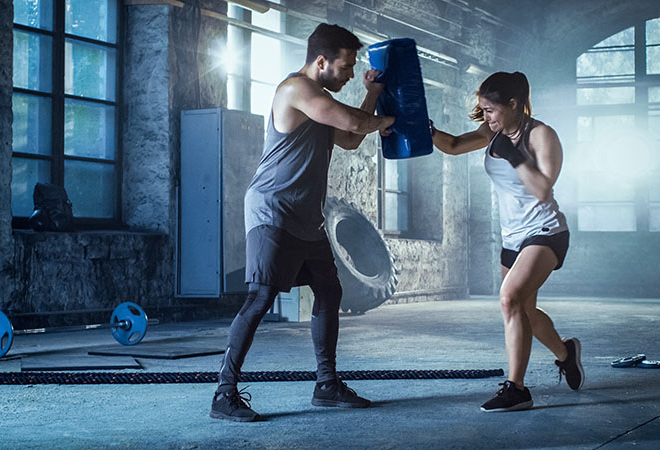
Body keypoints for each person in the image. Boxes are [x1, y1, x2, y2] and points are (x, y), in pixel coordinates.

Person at [210, 23, 395, 422]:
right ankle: (223, 395)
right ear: (321, 61)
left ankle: (326, 385)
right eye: (345, 67)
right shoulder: (296, 90)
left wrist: (374, 93)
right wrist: (395, 119)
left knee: (329, 292)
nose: (348, 74)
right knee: (260, 298)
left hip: (307, 218)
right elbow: (358, 126)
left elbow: (350, 138)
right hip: (273, 210)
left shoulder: (322, 101)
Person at [430, 71, 583, 412]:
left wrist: (513, 156)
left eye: (491, 110)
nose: (487, 117)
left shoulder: (542, 135)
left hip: (545, 232)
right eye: (483, 110)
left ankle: (517, 389)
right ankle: (565, 353)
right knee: (524, 308)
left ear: (513, 104)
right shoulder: (492, 131)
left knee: (509, 299)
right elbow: (454, 146)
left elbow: (543, 190)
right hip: (512, 237)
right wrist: (428, 132)